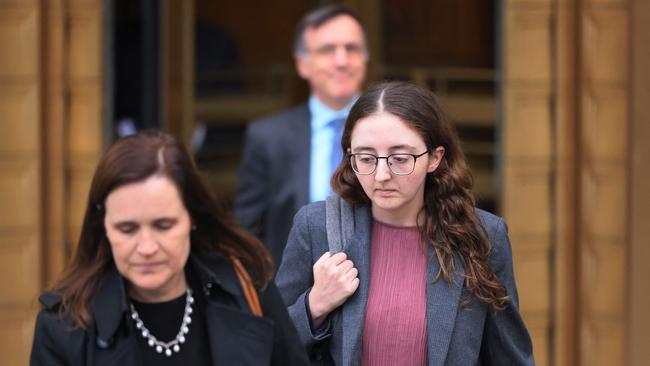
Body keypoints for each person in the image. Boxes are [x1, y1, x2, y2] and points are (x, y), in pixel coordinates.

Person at [276, 81, 535, 365]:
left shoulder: (483, 237)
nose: (382, 174)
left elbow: (509, 358)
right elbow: (269, 347)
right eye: (366, 158)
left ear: (434, 158)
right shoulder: (316, 227)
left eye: (400, 159)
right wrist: (315, 305)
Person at [30, 130, 309, 366]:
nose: (147, 247)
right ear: (104, 226)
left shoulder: (248, 283)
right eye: (127, 229)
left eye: (163, 226)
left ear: (192, 218)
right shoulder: (64, 328)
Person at [234, 4, 368, 266]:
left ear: (365, 58)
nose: (342, 61)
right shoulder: (268, 137)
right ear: (303, 64)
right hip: (294, 295)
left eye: (351, 48)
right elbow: (247, 234)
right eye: (327, 50)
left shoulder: (393, 130)